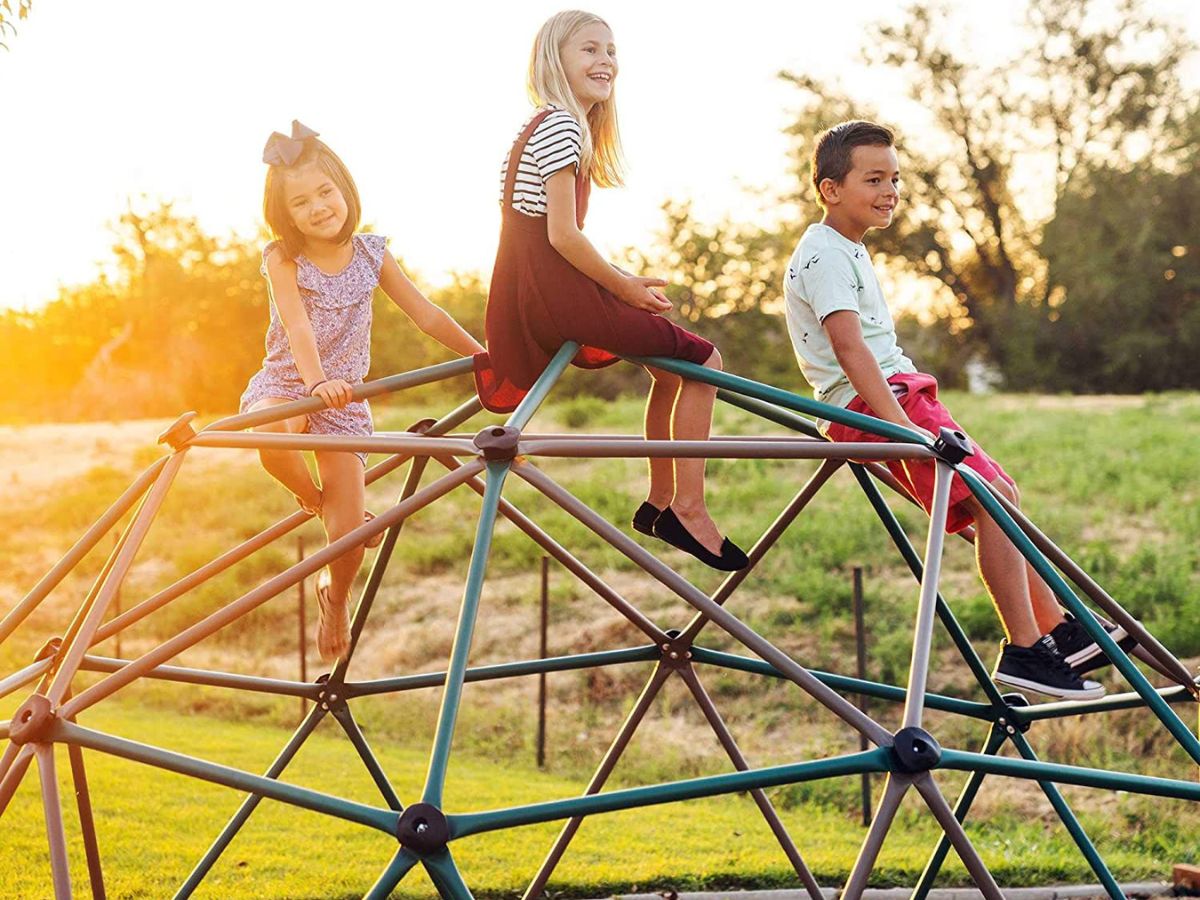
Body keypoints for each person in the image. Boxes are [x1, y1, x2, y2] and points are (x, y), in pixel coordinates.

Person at [783, 120, 1133, 700]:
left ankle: (1056, 631)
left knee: (1003, 498)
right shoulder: (821, 254)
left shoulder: (847, 248)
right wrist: (901, 430)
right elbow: (849, 348)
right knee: (994, 502)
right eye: (873, 179)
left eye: (894, 178)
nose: (889, 190)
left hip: (898, 394)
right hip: (876, 404)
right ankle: (1026, 649)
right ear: (830, 188)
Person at [473, 10, 747, 571]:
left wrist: (618, 288)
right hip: (551, 293)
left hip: (537, 288)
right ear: (555, 59)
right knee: (705, 359)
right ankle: (690, 507)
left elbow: (546, 237)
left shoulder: (538, 126)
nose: (605, 62)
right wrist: (619, 285)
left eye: (611, 52)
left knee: (670, 369)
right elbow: (561, 235)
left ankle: (660, 502)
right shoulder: (563, 127)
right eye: (590, 51)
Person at [241, 121, 484, 662]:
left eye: (326, 192)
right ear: (286, 214)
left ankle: (336, 596)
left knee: (348, 532)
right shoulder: (282, 258)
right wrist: (313, 383)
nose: (319, 207)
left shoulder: (374, 254)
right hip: (291, 383)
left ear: (345, 190)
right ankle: (311, 499)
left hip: (345, 401)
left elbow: (427, 314)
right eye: (301, 201)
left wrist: (480, 355)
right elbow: (298, 324)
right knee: (270, 435)